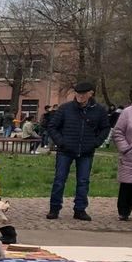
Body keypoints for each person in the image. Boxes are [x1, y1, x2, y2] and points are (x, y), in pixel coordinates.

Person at [46, 81, 112, 220]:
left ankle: (80, 209)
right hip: (65, 150)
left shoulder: (99, 110)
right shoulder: (65, 109)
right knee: (59, 180)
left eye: (83, 94)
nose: (80, 96)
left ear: (90, 94)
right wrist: (61, 142)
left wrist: (96, 142)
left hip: (86, 151)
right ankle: (54, 208)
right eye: (77, 93)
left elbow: (105, 128)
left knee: (83, 181)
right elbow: (52, 126)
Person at [113, 90, 132, 221]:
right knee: (128, 185)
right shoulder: (127, 112)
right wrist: (125, 148)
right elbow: (118, 132)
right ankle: (124, 211)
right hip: (130, 155)